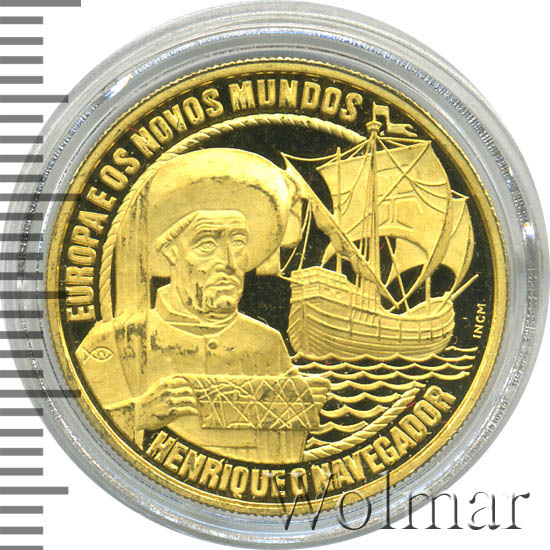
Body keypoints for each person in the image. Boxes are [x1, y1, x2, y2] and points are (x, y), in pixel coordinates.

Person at [76, 148, 329, 463]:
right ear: (171, 252)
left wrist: (302, 405)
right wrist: (140, 413)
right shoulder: (114, 343)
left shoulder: (267, 345)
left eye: (238, 242)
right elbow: (73, 430)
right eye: (207, 244)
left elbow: (289, 460)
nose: (229, 262)